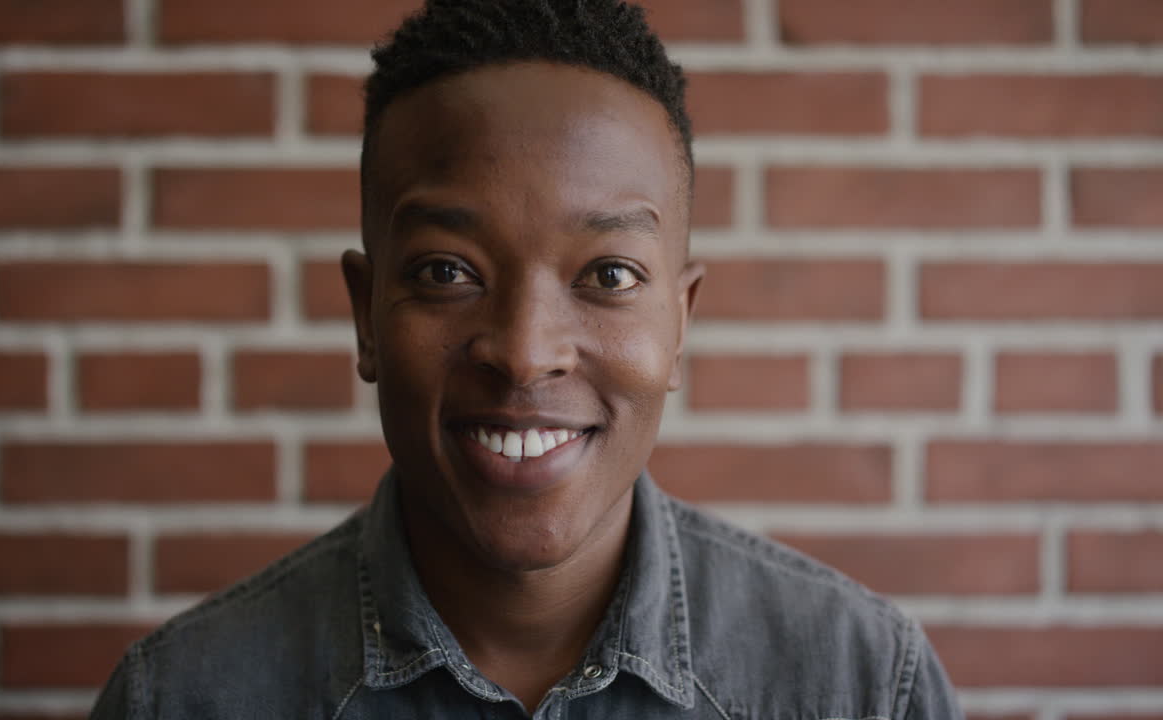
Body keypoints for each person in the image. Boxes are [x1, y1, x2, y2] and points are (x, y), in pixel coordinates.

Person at [91, 1, 964, 717]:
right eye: (445, 272)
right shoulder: (183, 699)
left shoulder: (861, 685)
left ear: (679, 325)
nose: (524, 353)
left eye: (609, 275)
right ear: (365, 316)